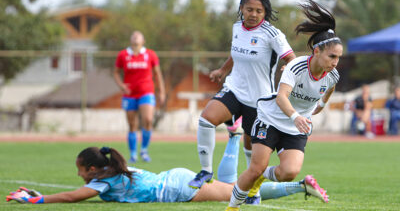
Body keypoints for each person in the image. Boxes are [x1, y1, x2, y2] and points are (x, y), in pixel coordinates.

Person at [226, 0, 341, 210]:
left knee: (289, 172)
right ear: (316, 52)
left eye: (338, 58)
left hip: (295, 127)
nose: (335, 62)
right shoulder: (297, 67)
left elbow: (328, 92)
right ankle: (232, 207)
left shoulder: (332, 75)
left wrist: (320, 106)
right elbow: (281, 98)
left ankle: (261, 178)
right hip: (271, 119)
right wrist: (296, 116)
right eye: (331, 56)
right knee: (255, 169)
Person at [189, 0, 296, 193]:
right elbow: (236, 52)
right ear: (241, 9)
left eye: (259, 11)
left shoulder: (272, 34)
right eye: (249, 9)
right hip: (234, 89)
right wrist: (222, 70)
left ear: (265, 13)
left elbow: (292, 59)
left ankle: (249, 190)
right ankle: (205, 171)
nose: (253, 14)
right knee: (206, 119)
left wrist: (288, 69)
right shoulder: (236, 27)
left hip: (260, 100)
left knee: (251, 148)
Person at [6, 144, 328, 204]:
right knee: (236, 190)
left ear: (91, 169)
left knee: (237, 195)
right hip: (177, 176)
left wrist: (38, 200)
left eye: (80, 170)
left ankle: (299, 184)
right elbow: (75, 191)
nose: (79, 176)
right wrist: (39, 196)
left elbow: (74, 196)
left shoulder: (102, 181)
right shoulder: (117, 169)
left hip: (178, 187)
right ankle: (300, 186)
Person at [113, 31, 166, 163]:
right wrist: (121, 85)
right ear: (130, 39)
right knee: (132, 125)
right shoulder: (123, 55)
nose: (136, 36)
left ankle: (144, 150)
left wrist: (162, 91)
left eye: (139, 35)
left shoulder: (150, 54)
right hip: (129, 95)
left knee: (147, 119)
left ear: (143, 40)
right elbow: (115, 73)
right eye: (133, 35)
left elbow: (158, 74)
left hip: (146, 92)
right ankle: (133, 154)